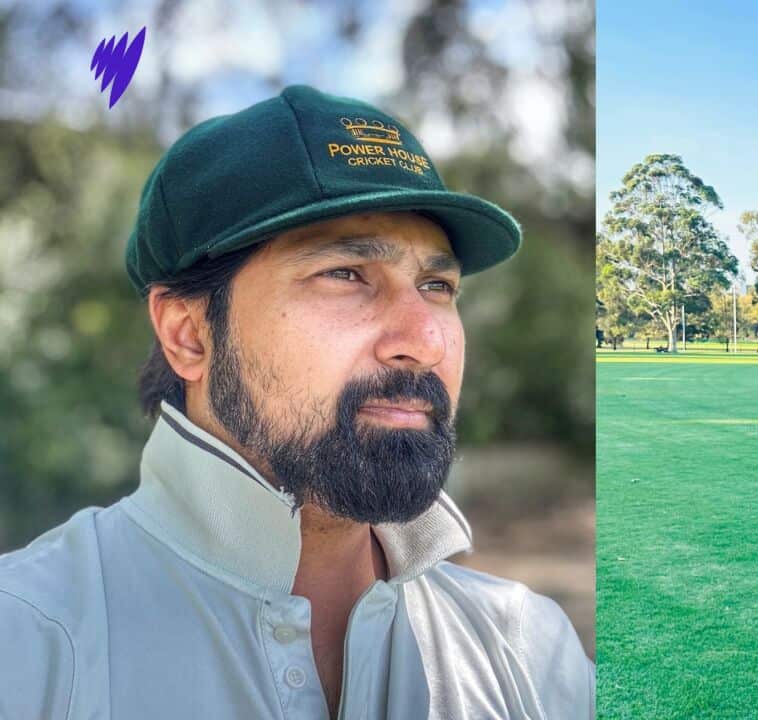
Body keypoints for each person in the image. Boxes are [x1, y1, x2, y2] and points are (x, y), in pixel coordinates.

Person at [0, 85, 594, 719]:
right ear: (188, 334)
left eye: (436, 284)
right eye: (345, 274)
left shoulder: (529, 654)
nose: (424, 340)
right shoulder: (28, 641)